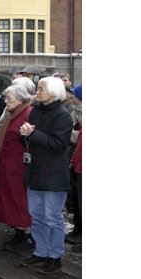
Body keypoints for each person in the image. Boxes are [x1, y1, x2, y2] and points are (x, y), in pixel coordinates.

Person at [18, 76, 74, 275]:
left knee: (52, 218)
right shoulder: (35, 112)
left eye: (41, 89)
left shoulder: (62, 115)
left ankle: (55, 256)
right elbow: (28, 139)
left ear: (54, 92)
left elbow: (59, 145)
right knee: (37, 216)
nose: (37, 92)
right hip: (35, 171)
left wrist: (33, 134)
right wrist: (24, 133)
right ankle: (40, 251)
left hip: (53, 175)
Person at [0, 85, 35, 253]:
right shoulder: (11, 113)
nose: (6, 101)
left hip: (18, 165)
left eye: (9, 98)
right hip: (7, 163)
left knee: (20, 201)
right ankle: (18, 232)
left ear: (21, 99)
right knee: (10, 200)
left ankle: (27, 235)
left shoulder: (27, 113)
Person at [66, 84, 83, 246]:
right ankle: (78, 231)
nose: (71, 97)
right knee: (78, 201)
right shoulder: (76, 112)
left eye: (74, 95)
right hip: (77, 163)